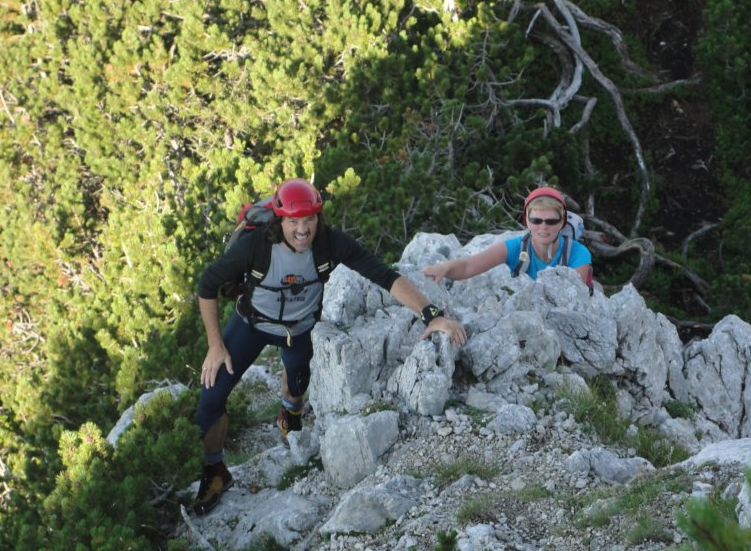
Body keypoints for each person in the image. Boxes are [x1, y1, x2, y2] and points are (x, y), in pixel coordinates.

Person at [192, 178, 466, 515]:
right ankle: (215, 469)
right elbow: (207, 284)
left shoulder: (328, 243)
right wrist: (215, 345)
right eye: (293, 221)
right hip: (251, 324)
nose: (302, 229)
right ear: (279, 220)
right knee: (211, 397)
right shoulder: (256, 246)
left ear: (318, 217)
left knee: (296, 385)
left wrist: (432, 316)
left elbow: (384, 276)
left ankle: (290, 417)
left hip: (300, 330)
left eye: (309, 219)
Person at [421, 186, 593, 287]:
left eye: (551, 221)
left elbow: (574, 295)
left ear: (562, 222)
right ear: (526, 221)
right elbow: (468, 266)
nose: (543, 226)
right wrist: (444, 268)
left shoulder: (577, 253)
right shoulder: (515, 248)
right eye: (536, 220)